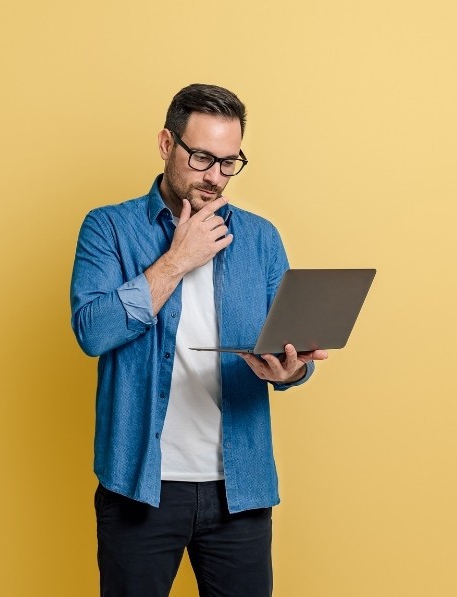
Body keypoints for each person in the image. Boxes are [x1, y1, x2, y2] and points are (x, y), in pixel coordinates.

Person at [70, 83, 328, 597]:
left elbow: (291, 349)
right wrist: (177, 260)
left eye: (229, 162)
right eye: (203, 156)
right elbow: (93, 332)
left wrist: (293, 370)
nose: (214, 176)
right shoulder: (109, 228)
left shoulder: (261, 239)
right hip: (139, 486)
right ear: (167, 144)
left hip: (241, 490)